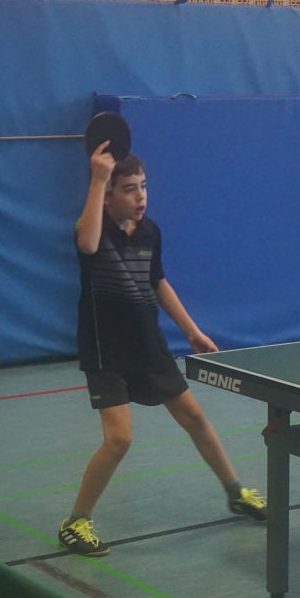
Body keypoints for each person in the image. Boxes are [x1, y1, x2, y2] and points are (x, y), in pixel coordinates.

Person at [59, 142, 266, 556]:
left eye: (143, 186)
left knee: (195, 417)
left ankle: (236, 492)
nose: (140, 196)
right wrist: (98, 179)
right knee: (119, 439)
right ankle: (75, 521)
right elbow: (87, 244)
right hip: (105, 349)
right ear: (108, 195)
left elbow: (158, 282)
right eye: (129, 189)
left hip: (147, 343)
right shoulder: (93, 226)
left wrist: (191, 331)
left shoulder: (149, 231)